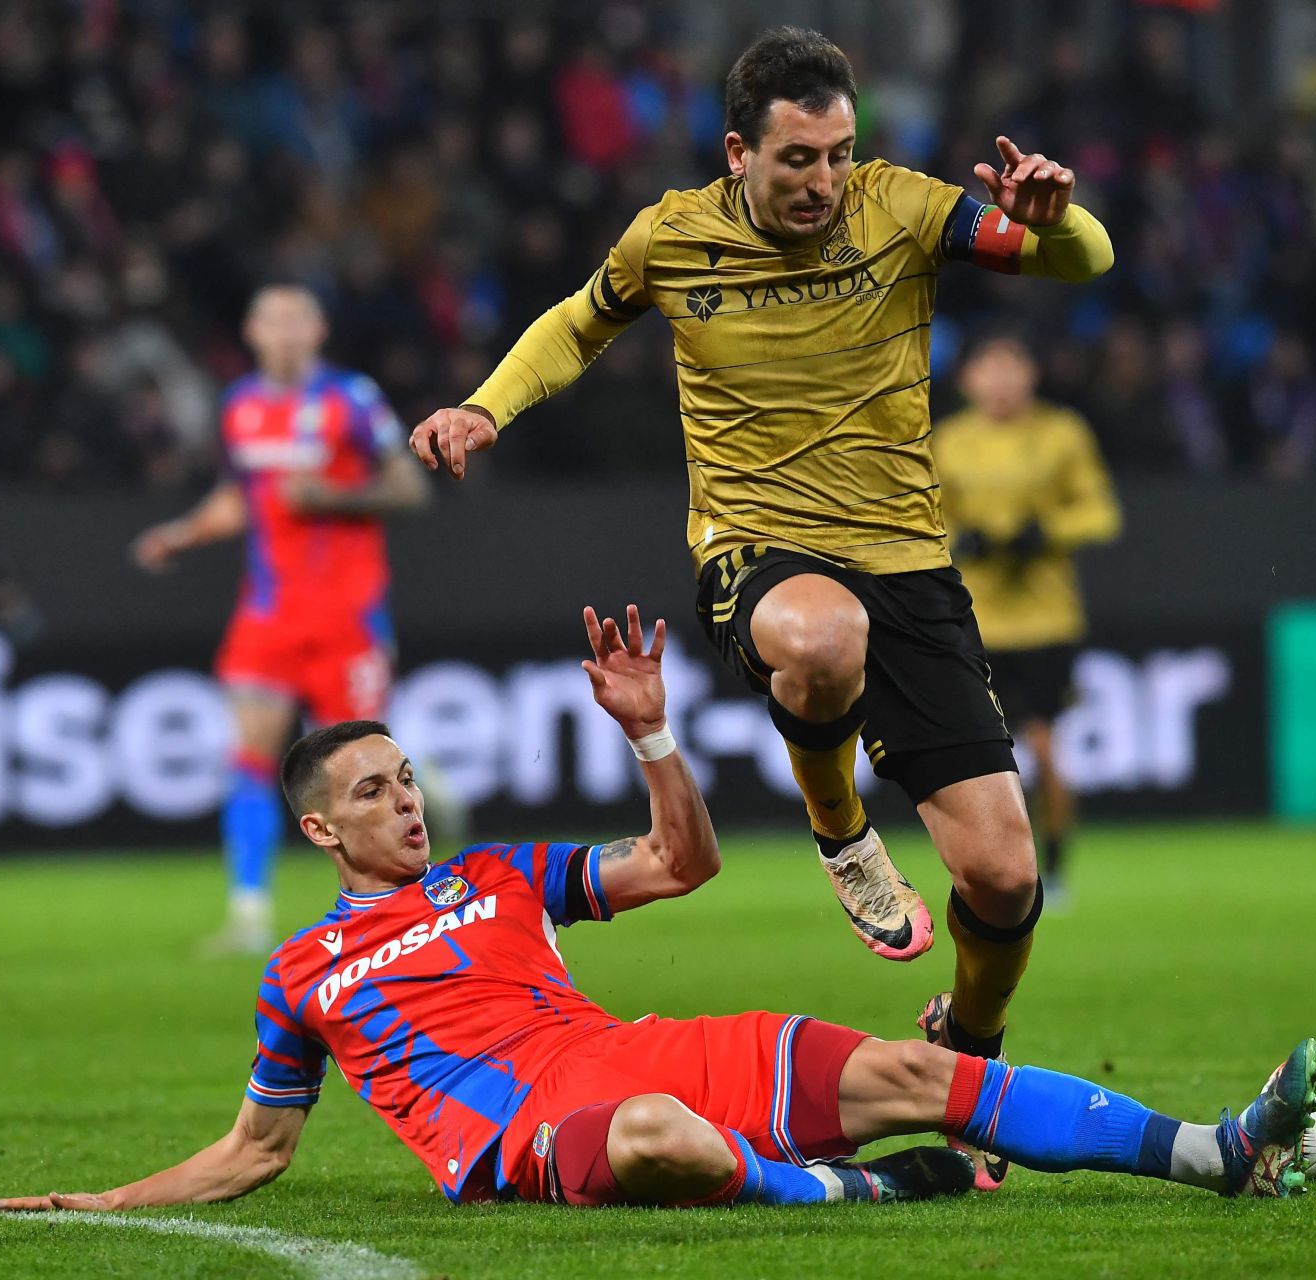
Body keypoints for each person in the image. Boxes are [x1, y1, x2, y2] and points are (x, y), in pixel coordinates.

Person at [409, 25, 1115, 1189]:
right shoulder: (673, 236)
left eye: (839, 155)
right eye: (798, 160)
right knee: (822, 636)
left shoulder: (905, 208)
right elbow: (581, 320)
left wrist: (1056, 218)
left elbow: (1080, 260)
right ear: (740, 150)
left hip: (908, 560)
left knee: (1002, 875)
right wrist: (488, 406)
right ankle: (840, 829)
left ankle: (971, 1056)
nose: (823, 183)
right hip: (756, 546)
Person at [0, 605, 1316, 1216]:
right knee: (657, 1136)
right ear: (322, 828)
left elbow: (681, 867)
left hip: (631, 1050)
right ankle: (844, 1190)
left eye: (408, 779)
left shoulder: (497, 875)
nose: (409, 805)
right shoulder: (300, 972)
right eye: (376, 793)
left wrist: (654, 737)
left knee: (918, 1067)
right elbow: (256, 1152)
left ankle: (1216, 1151)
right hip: (525, 1134)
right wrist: (103, 1204)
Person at [133, 284, 430, 953]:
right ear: (253, 330)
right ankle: (247, 913)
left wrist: (327, 493)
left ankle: (386, 918)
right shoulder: (239, 407)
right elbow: (241, 497)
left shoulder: (350, 399)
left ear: (318, 329)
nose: (286, 331)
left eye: (298, 319)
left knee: (357, 776)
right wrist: (184, 533)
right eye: (274, 319)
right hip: (267, 616)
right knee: (249, 760)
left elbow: (410, 488)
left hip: (347, 618)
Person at [935, 334, 1121, 909]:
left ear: (1030, 374)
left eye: (1012, 365)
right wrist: (963, 542)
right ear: (969, 380)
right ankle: (987, 868)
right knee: (980, 761)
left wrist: (1047, 532)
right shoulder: (950, 441)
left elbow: (1099, 512)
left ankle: (1056, 866)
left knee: (1044, 748)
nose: (1001, 379)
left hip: (1046, 622)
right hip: (976, 620)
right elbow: (924, 519)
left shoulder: (1062, 433)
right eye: (989, 367)